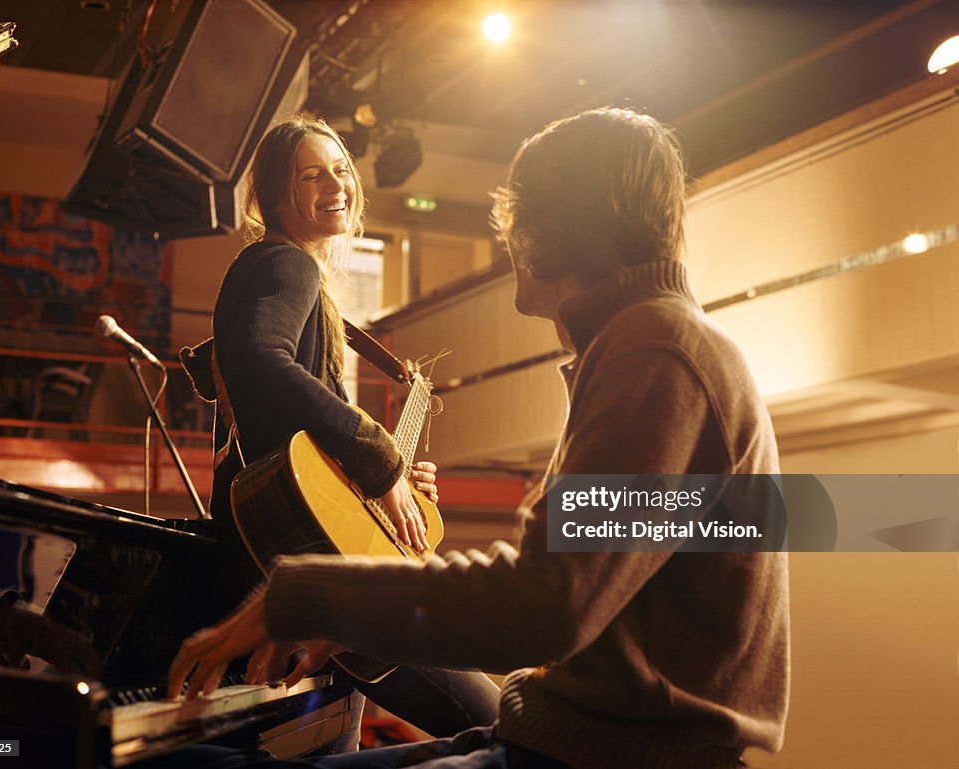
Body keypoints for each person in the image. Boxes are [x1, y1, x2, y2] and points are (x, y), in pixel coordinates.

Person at [166, 107, 790, 769]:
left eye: (517, 215)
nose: (508, 236)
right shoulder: (647, 348)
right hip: (570, 738)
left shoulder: (656, 355)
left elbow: (548, 601)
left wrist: (321, 595)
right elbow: (566, 590)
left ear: (554, 228)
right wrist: (350, 607)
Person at [178, 115, 499, 745]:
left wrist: (392, 480)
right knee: (502, 726)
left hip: (296, 560)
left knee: (333, 745)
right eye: (311, 174)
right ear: (275, 195)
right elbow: (260, 358)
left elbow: (296, 422)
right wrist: (380, 464)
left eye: (342, 169)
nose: (337, 184)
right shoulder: (285, 263)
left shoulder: (288, 272)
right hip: (319, 577)